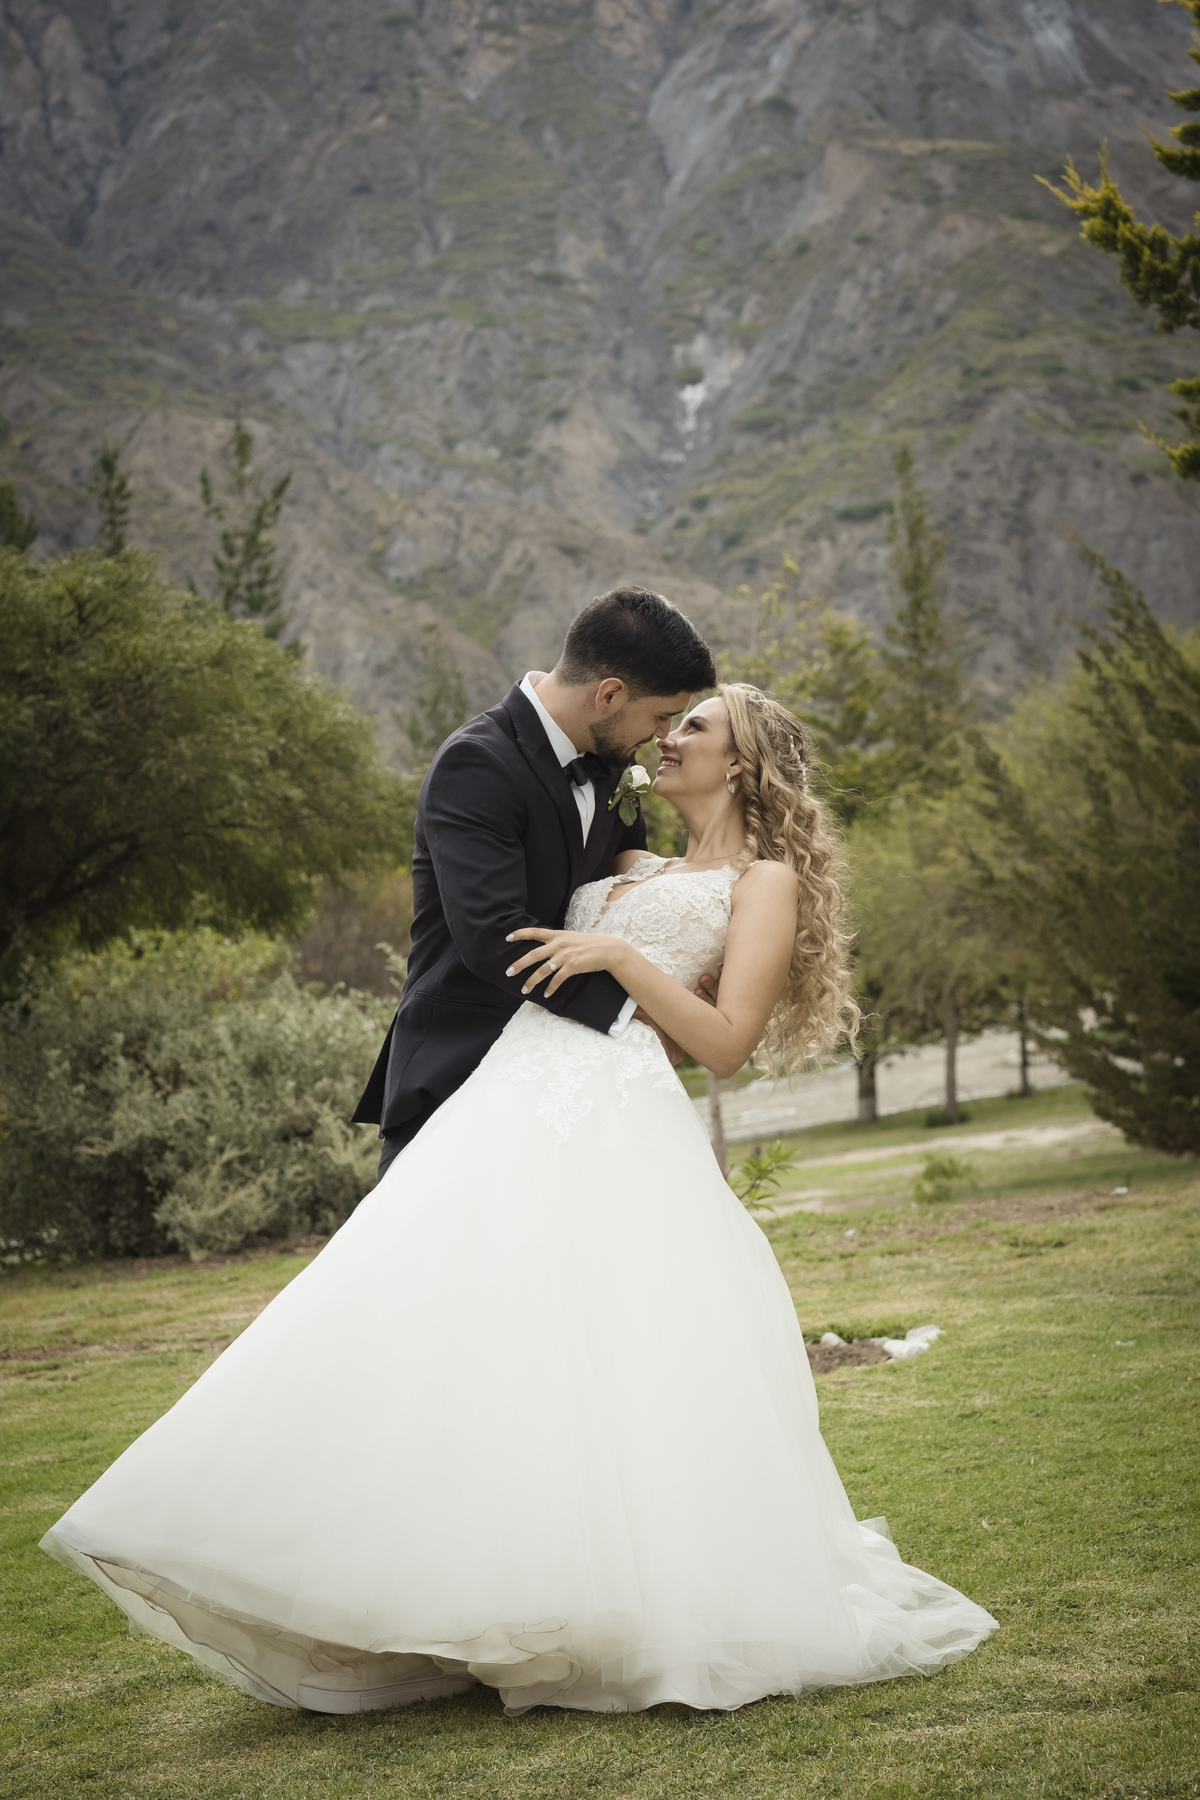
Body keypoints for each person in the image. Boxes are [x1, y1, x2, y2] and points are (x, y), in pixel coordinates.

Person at [42, 683, 997, 1718]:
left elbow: (723, 1046)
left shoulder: (762, 883)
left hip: (618, 1124)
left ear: (743, 764)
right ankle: (422, 1591)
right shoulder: (626, 857)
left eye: (696, 728)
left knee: (614, 1358)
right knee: (453, 1330)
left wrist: (623, 957)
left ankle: (631, 1604)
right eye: (669, 723)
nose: (669, 741)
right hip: (506, 1099)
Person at [353, 585, 717, 1180]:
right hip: (464, 1063)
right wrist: (638, 1013)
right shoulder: (475, 764)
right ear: (608, 694)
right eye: (660, 715)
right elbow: (496, 937)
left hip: (575, 1074)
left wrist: (680, 978)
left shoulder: (614, 762)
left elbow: (628, 896)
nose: (662, 735)